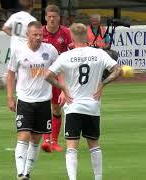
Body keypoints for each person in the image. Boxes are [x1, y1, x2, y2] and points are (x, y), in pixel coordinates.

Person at [45, 23, 121, 180]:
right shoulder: (99, 54)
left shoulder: (65, 56)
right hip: (92, 105)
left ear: (71, 37)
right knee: (94, 145)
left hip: (73, 106)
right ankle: (98, 178)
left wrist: (63, 89)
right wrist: (102, 84)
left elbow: (47, 75)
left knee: (72, 147)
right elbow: (118, 70)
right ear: (86, 36)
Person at [6, 21, 58, 180]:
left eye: (40, 35)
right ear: (28, 35)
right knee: (23, 136)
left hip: (43, 101)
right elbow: (11, 73)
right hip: (24, 100)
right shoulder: (18, 51)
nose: (38, 37)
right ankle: (20, 173)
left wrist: (62, 90)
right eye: (35, 35)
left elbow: (60, 69)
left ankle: (27, 173)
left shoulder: (50, 50)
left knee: (35, 140)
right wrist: (9, 96)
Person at [41, 4, 72, 152]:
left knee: (56, 107)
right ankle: (46, 140)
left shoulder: (66, 33)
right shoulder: (39, 33)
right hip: (41, 76)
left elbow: (71, 54)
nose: (52, 19)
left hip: (58, 76)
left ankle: (54, 141)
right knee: (42, 107)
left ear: (59, 17)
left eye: (55, 17)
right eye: (49, 17)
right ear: (46, 17)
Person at [0, 0, 37, 88]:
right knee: (26, 68)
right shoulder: (32, 20)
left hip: (14, 46)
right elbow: (34, 35)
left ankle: (6, 79)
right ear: (32, 7)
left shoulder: (14, 16)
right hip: (25, 47)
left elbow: (4, 28)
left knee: (13, 68)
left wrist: (14, 36)